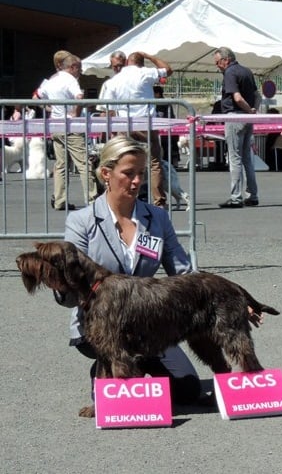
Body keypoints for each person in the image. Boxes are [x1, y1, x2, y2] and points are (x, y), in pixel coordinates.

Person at [57, 135, 206, 406]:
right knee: (117, 402)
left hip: (148, 326)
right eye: (128, 173)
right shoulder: (81, 221)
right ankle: (106, 365)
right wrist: (61, 286)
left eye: (141, 173)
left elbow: (184, 274)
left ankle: (135, 364)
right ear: (106, 173)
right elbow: (72, 287)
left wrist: (222, 298)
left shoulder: (157, 218)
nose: (137, 181)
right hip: (100, 326)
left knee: (187, 391)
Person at [104, 51, 174, 208]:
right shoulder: (145, 73)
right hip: (145, 122)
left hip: (124, 124)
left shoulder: (114, 80)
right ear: (142, 63)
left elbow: (108, 107)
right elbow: (168, 69)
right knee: (154, 162)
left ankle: (123, 196)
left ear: (127, 62)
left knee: (122, 162)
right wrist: (150, 57)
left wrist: (112, 129)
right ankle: (159, 201)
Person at [35, 52, 98, 211]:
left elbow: (36, 97)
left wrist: (49, 109)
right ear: (73, 67)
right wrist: (75, 113)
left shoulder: (52, 80)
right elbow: (79, 97)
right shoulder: (71, 80)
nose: (80, 72)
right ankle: (92, 200)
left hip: (56, 125)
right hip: (70, 126)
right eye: (79, 69)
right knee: (83, 163)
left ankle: (59, 200)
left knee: (61, 165)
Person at [213, 46, 259, 208]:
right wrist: (253, 111)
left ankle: (236, 197)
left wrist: (248, 110)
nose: (217, 66)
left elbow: (237, 98)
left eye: (218, 62)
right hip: (247, 119)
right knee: (246, 158)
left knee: (235, 158)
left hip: (234, 116)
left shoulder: (230, 73)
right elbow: (257, 95)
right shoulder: (247, 71)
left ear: (226, 60)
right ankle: (252, 195)